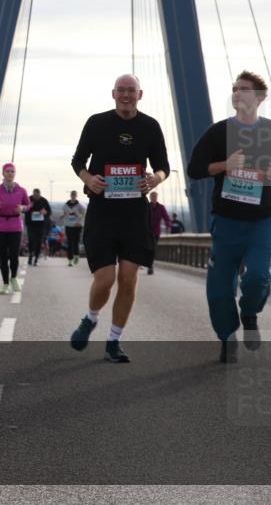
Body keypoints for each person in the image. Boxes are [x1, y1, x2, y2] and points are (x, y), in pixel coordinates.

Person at [187, 71, 271, 363]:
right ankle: (227, 336)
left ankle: (250, 312)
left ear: (260, 97)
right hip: (227, 220)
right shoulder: (219, 132)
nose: (237, 93)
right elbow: (195, 168)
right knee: (220, 286)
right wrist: (224, 165)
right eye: (234, 88)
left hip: (261, 221)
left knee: (258, 276)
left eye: (243, 89)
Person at [69, 74, 170, 363]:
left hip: (134, 215)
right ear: (113, 93)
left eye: (132, 91)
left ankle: (113, 341)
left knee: (128, 280)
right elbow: (78, 161)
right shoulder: (97, 122)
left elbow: (163, 167)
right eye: (122, 90)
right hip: (102, 212)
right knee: (105, 279)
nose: (126, 95)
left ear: (141, 94)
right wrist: (90, 178)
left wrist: (155, 179)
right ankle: (90, 318)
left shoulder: (150, 126)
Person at [0, 163, 30, 294]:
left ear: (15, 174)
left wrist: (22, 208)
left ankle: (14, 278)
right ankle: (5, 283)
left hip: (16, 225)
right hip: (1, 225)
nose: (10, 173)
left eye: (12, 171)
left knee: (13, 255)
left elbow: (28, 205)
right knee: (3, 256)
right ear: (3, 173)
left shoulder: (21, 190)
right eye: (7, 171)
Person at [146, 191, 172, 275]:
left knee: (152, 248)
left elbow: (166, 217)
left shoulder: (161, 207)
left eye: (155, 196)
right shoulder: (146, 206)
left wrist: (168, 225)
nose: (153, 198)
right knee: (148, 248)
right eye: (152, 196)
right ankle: (148, 264)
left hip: (156, 232)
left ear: (157, 197)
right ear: (150, 197)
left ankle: (150, 266)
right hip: (147, 231)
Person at [24, 188, 51, 266]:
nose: (36, 196)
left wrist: (45, 212)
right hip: (31, 224)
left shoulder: (44, 201)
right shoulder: (28, 199)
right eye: (34, 195)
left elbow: (49, 212)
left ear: (40, 194)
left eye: (37, 195)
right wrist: (29, 207)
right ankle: (30, 255)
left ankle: (36, 258)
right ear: (33, 194)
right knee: (31, 240)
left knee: (39, 241)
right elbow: (24, 209)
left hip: (41, 225)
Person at [61, 190, 86, 266]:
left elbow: (84, 214)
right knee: (70, 243)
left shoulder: (80, 205)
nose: (73, 196)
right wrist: (62, 216)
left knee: (76, 242)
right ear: (70, 195)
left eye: (74, 194)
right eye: (72, 194)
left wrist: (80, 222)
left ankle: (76, 256)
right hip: (68, 225)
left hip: (77, 226)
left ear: (76, 195)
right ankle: (70, 260)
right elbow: (63, 213)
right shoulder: (66, 205)